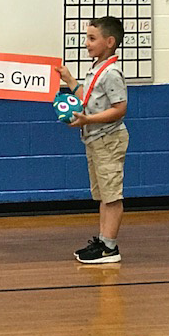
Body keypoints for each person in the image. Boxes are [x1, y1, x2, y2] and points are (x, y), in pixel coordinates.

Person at [55, 16, 129, 264]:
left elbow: (120, 109)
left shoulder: (112, 72)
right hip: (96, 140)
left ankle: (110, 247)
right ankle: (102, 240)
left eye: (91, 38)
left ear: (109, 41)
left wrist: (89, 120)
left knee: (112, 196)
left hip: (108, 140)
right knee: (102, 195)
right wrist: (69, 80)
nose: (86, 43)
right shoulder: (97, 67)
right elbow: (88, 96)